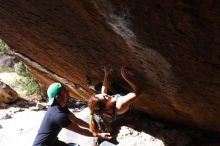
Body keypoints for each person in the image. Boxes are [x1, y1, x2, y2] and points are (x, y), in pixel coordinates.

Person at [33, 82, 111, 146]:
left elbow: (76, 120)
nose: (68, 92)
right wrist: (99, 135)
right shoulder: (58, 115)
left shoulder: (61, 107)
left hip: (52, 142)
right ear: (58, 97)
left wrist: (92, 127)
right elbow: (81, 131)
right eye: (65, 91)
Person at [89, 66, 142, 135]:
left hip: (114, 101)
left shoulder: (104, 106)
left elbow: (103, 92)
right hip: (123, 99)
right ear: (106, 106)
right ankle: (91, 86)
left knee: (100, 86)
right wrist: (125, 77)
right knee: (114, 86)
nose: (106, 95)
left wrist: (106, 74)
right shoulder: (121, 104)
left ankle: (90, 86)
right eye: (105, 98)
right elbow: (139, 91)